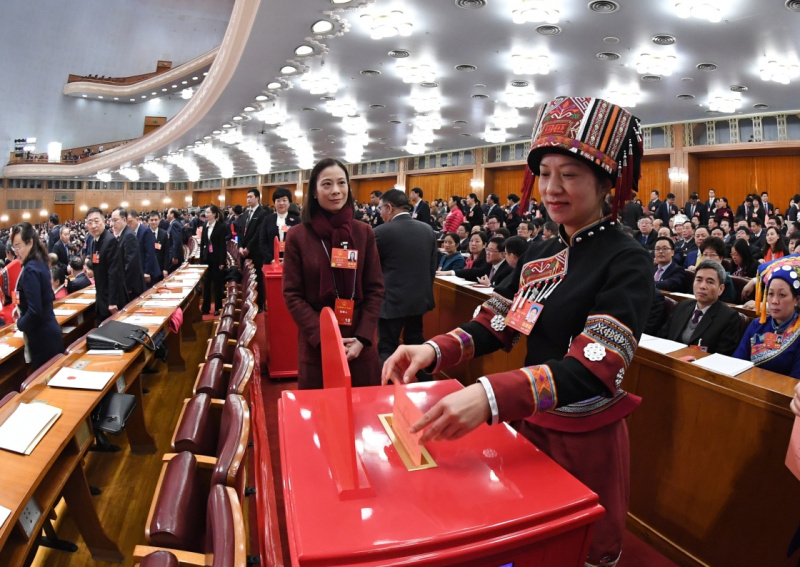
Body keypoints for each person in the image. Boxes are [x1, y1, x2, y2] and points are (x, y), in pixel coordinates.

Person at [382, 96, 652, 566]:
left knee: (577, 550)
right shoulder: (539, 251)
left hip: (585, 438)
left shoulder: (627, 260)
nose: (552, 188)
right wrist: (432, 348)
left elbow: (593, 370)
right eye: (545, 174)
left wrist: (487, 396)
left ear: (605, 183)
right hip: (526, 422)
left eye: (569, 175)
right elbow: (498, 322)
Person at [283, 158, 384, 390]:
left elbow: (375, 289)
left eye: (341, 183)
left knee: (364, 414)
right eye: (327, 184)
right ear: (315, 192)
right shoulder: (299, 236)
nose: (336, 190)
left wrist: (363, 337)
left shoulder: (364, 232)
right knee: (320, 415)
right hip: (317, 341)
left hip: (360, 341)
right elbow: (292, 294)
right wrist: (324, 337)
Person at [374, 189, 437, 366]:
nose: (380, 213)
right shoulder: (427, 230)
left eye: (380, 208)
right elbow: (431, 269)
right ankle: (421, 386)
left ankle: (387, 388)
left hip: (391, 301)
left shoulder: (381, 232)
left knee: (387, 347)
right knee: (416, 344)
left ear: (388, 207)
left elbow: (371, 269)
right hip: (418, 300)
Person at [734, 256, 800, 378]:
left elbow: (795, 382)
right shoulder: (757, 325)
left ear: (796, 300)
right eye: (770, 294)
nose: (774, 301)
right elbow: (737, 363)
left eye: (782, 295)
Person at [10, 222, 63, 370]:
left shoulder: (31, 269)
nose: (16, 251)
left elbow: (34, 312)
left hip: (42, 338)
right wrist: (21, 307)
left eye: (19, 246)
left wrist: (20, 323)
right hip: (49, 332)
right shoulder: (39, 261)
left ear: (30, 242)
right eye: (14, 247)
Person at [659, 260, 741, 355]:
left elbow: (721, 357)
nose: (702, 286)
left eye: (710, 282)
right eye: (699, 280)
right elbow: (662, 338)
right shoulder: (682, 306)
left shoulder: (729, 317)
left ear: (721, 289)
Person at [85, 207, 126, 322]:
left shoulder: (110, 241)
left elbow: (114, 272)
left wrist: (112, 302)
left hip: (111, 298)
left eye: (96, 221)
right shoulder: (94, 240)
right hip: (101, 295)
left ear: (104, 221)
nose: (93, 226)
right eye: (90, 222)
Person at [239, 189, 267, 310]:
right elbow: (240, 232)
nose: (248, 199)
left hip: (255, 252)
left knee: (258, 279)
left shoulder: (263, 214)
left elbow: (258, 233)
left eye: (251, 197)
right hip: (243, 251)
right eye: (247, 197)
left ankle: (260, 304)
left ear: (257, 198)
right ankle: (249, 302)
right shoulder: (245, 214)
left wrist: (248, 248)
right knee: (246, 278)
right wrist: (240, 246)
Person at [259, 187, 301, 265]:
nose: (281, 203)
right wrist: (271, 259)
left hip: (292, 262)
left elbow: (300, 242)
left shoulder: (297, 220)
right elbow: (263, 242)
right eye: (278, 200)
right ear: (274, 203)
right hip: (271, 262)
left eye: (284, 200)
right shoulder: (267, 220)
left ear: (289, 202)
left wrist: (290, 259)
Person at [111, 207, 145, 301]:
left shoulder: (129, 236)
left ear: (124, 219)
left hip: (131, 287)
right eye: (111, 221)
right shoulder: (122, 235)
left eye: (115, 220)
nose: (112, 224)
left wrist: (125, 285)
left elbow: (131, 264)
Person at [200, 204, 227, 316]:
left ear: (214, 214)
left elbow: (222, 245)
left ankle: (218, 307)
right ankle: (205, 308)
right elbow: (203, 244)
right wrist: (201, 260)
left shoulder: (221, 227)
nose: (206, 214)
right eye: (206, 213)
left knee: (217, 284)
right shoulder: (205, 225)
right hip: (207, 258)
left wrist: (222, 261)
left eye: (208, 212)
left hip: (216, 259)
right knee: (206, 284)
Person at [127, 209, 159, 288]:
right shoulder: (130, 233)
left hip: (149, 272)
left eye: (130, 222)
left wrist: (147, 272)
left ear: (137, 219)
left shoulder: (146, 231)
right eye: (127, 223)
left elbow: (150, 253)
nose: (128, 225)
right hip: (140, 272)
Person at [149, 211, 169, 281]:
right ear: (148, 221)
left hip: (160, 268)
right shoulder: (145, 233)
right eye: (151, 220)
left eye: (155, 220)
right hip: (149, 270)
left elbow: (166, 252)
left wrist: (165, 269)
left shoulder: (164, 234)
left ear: (159, 220)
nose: (154, 222)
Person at [167, 208, 185, 273]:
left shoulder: (175, 224)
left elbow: (176, 241)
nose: (167, 215)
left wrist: (175, 256)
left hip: (174, 255)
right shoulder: (174, 223)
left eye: (168, 213)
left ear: (172, 214)